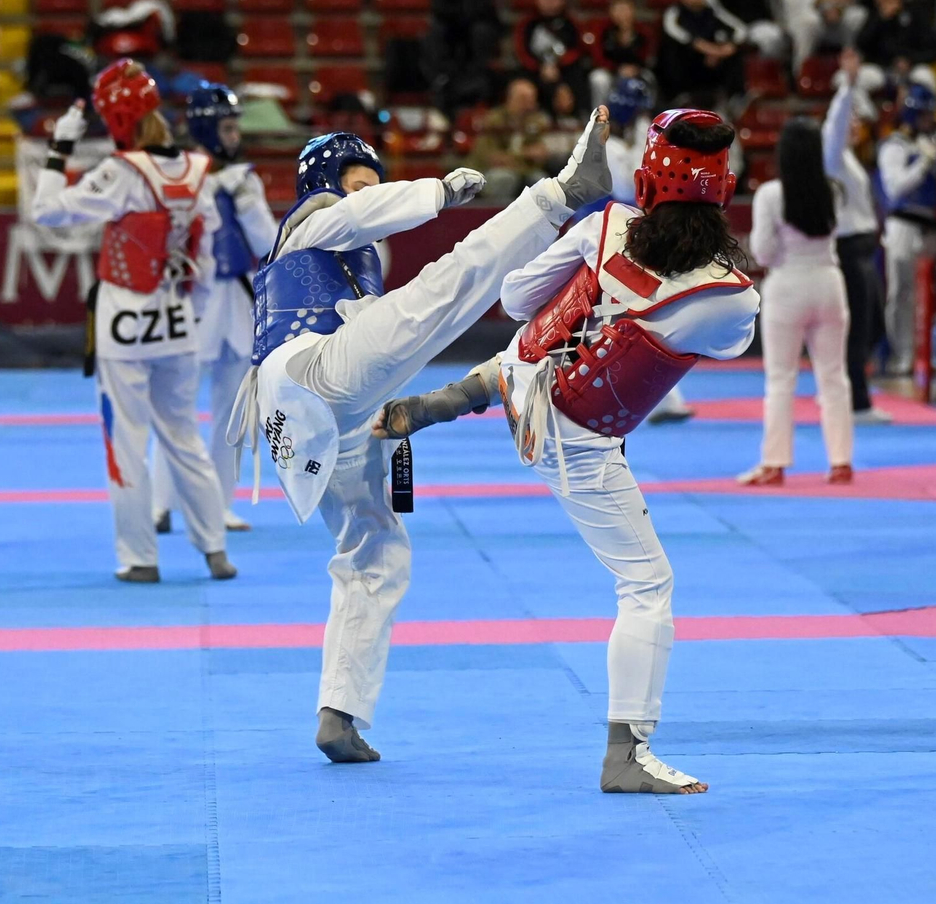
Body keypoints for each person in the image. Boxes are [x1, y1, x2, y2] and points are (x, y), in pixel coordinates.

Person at [375, 110, 757, 792]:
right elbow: (725, 348)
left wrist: (596, 287)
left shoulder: (604, 226)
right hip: (578, 437)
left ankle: (461, 394)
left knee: (546, 336)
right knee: (648, 585)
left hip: (525, 380)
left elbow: (518, 299)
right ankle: (625, 756)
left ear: (647, 176)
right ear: (724, 189)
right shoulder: (732, 298)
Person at [230, 112, 615, 763]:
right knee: (446, 286)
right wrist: (436, 191)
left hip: (324, 418)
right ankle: (559, 193)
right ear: (325, 180)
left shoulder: (359, 260)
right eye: (356, 177)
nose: (364, 190)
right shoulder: (312, 218)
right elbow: (362, 213)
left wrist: (393, 433)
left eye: (370, 181)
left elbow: (379, 339)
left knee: (376, 549)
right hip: (307, 376)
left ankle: (339, 711)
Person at [31, 61, 235, 584]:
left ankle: (140, 558)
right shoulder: (198, 169)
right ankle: (215, 549)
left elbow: (46, 210)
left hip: (124, 322)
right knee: (185, 436)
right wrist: (191, 308)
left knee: (127, 441)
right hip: (178, 322)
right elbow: (208, 258)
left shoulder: (120, 173)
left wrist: (60, 148)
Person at [150, 84, 276, 536]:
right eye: (225, 127)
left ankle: (218, 505)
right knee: (174, 404)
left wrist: (244, 200)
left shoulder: (246, 178)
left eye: (235, 126)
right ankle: (158, 503)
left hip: (238, 301)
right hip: (192, 299)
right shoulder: (176, 174)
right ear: (204, 127)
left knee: (233, 411)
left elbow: (267, 244)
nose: (233, 135)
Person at [740, 117, 855, 485]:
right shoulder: (834, 191)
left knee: (780, 379)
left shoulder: (771, 195)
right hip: (828, 282)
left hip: (787, 285)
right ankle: (841, 460)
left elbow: (763, 252)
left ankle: (774, 463)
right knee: (834, 377)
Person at [598, 78, 695, 425]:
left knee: (641, 311)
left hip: (640, 231)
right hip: (614, 231)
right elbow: (626, 186)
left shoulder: (641, 140)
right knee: (624, 314)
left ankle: (664, 398)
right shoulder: (609, 144)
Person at [824, 50, 889, 424]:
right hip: (850, 250)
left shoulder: (847, 159)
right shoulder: (831, 155)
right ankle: (857, 403)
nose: (855, 125)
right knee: (858, 327)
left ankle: (851, 393)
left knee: (871, 324)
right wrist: (847, 85)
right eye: (850, 118)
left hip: (864, 249)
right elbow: (834, 126)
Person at [878, 81, 936, 377]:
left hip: (928, 224)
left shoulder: (931, 142)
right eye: (923, 115)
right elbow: (894, 188)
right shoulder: (895, 146)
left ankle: (926, 354)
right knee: (901, 292)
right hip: (902, 223)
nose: (928, 120)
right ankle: (902, 354)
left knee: (928, 293)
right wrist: (923, 163)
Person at [424, 0, 501, 112]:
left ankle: (478, 72)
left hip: (476, 25)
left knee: (481, 31)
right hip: (452, 26)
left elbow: (483, 8)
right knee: (436, 31)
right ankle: (442, 75)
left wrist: (463, 10)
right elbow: (440, 8)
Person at [657, 0, 743, 106]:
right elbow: (678, 34)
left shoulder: (713, 11)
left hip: (711, 62)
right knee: (671, 50)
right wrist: (709, 49)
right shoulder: (674, 13)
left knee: (735, 52)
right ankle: (679, 96)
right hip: (686, 61)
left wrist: (725, 48)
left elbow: (740, 30)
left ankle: (733, 97)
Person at [853, 0, 936, 93]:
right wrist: (881, 19)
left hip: (912, 68)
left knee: (926, 77)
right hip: (881, 69)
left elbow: (933, 50)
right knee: (854, 79)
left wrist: (910, 59)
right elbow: (861, 44)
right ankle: (866, 112)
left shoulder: (915, 13)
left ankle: (924, 111)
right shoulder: (874, 15)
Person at [470, 77, 552, 202]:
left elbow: (540, 154)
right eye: (524, 99)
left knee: (541, 180)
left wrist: (516, 158)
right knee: (505, 178)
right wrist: (525, 154)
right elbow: (491, 157)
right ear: (511, 99)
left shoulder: (537, 120)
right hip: (492, 171)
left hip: (526, 170)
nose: (530, 103)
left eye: (532, 99)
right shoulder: (494, 119)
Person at [514, 0, 588, 109]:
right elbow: (521, 51)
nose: (549, 1)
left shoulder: (571, 23)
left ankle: (578, 117)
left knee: (576, 79)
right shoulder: (527, 24)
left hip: (565, 71)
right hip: (534, 71)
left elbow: (577, 49)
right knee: (521, 87)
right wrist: (541, 67)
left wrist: (556, 65)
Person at [588, 0, 654, 109]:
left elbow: (647, 55)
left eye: (625, 9)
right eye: (617, 10)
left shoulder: (643, 31)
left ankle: (644, 115)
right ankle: (600, 117)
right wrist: (617, 68)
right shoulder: (602, 30)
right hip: (610, 71)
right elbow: (598, 57)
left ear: (633, 11)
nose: (622, 14)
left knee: (649, 78)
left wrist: (636, 68)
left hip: (636, 71)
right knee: (598, 78)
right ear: (611, 12)